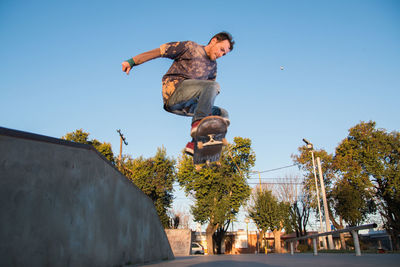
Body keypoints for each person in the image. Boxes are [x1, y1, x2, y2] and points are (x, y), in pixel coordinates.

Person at [122, 32, 234, 156]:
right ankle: (198, 124)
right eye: (221, 49)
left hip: (187, 105)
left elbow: (208, 95)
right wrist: (132, 62)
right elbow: (159, 52)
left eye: (224, 54)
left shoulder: (213, 67)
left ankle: (194, 143)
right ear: (214, 41)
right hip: (174, 92)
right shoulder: (190, 47)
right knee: (213, 86)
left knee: (222, 114)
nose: (220, 54)